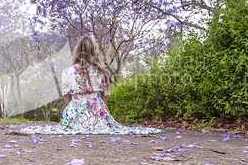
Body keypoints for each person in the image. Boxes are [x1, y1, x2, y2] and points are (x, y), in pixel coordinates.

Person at [20, 35, 162, 135]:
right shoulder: (102, 71)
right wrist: (98, 113)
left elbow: (66, 98)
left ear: (76, 51)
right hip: (97, 114)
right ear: (94, 51)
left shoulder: (67, 72)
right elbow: (104, 98)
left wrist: (76, 109)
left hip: (74, 114)